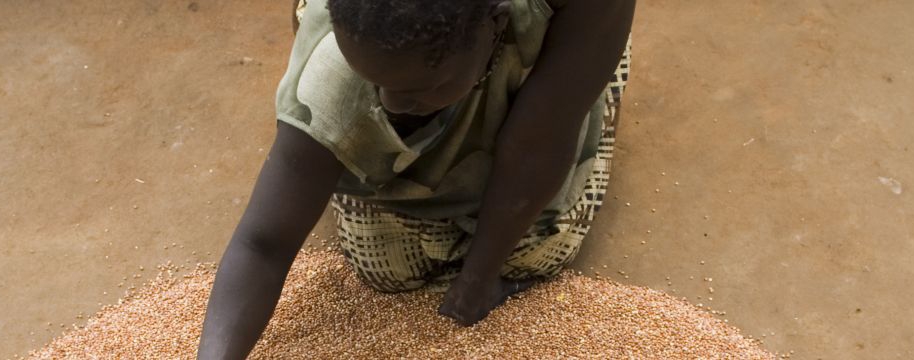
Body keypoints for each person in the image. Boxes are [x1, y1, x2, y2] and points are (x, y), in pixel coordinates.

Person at [197, 0, 634, 357]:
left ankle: (594, 62)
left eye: (418, 89)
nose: (391, 103)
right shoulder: (348, 58)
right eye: (377, 83)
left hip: (544, 57)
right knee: (385, 269)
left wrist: (478, 281)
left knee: (539, 254)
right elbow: (263, 242)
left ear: (495, 24)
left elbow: (537, 143)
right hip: (402, 47)